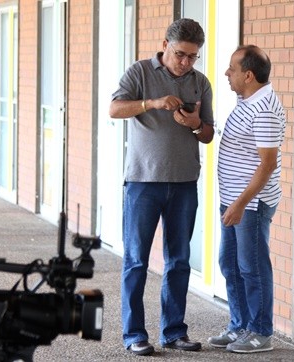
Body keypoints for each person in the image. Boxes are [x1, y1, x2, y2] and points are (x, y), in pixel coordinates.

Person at [109, 18, 214, 356]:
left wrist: (196, 124)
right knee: (137, 261)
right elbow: (114, 108)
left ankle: (174, 332)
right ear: (166, 44)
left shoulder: (201, 83)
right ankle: (134, 334)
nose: (185, 62)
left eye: (193, 57)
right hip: (143, 183)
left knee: (179, 260)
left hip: (184, 183)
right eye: (181, 54)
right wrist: (151, 104)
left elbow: (209, 133)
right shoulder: (140, 72)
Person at [208, 45, 286, 354]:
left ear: (248, 75)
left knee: (252, 267)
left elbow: (267, 164)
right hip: (235, 200)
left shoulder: (264, 108)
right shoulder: (247, 100)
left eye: (232, 69)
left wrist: (240, 204)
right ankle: (240, 325)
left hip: (250, 204)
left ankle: (260, 331)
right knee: (230, 263)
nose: (227, 73)